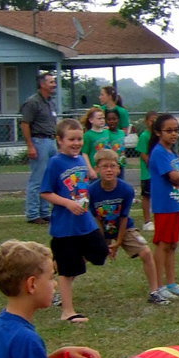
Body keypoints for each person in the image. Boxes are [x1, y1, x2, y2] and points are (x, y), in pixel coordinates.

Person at [39, 119, 107, 324]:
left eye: (79, 139)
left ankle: (59, 268)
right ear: (59, 140)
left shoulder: (80, 161)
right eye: (71, 139)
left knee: (100, 252)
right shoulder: (55, 163)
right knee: (68, 270)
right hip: (65, 227)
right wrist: (67, 203)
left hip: (85, 222)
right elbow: (45, 192)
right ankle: (67, 311)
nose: (76, 143)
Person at [88, 149, 168, 305]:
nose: (109, 170)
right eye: (104, 166)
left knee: (146, 252)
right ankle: (59, 289)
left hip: (124, 228)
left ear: (118, 169)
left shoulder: (126, 189)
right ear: (97, 169)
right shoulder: (92, 191)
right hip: (101, 228)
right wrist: (104, 239)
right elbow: (96, 217)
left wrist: (117, 242)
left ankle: (154, 291)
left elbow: (124, 217)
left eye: (112, 166)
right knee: (80, 253)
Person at [147, 113, 179, 299]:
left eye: (176, 130)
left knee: (173, 244)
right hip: (164, 205)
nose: (173, 134)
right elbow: (174, 176)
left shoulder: (172, 153)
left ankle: (172, 282)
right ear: (158, 132)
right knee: (163, 244)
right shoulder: (158, 152)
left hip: (175, 203)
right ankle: (159, 285)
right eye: (169, 131)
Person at [20, 72, 58, 224]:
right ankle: (33, 214)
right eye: (51, 82)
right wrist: (30, 145)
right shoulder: (32, 102)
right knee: (37, 179)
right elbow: (25, 124)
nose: (54, 84)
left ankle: (44, 211)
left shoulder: (50, 102)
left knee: (48, 178)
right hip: (39, 141)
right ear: (42, 84)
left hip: (51, 140)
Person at [134, 111, 157, 231]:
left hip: (158, 174)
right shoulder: (144, 136)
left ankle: (157, 218)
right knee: (146, 196)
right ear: (146, 121)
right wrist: (153, 165)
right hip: (147, 173)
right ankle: (147, 221)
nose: (153, 123)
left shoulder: (158, 136)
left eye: (156, 120)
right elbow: (143, 154)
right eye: (151, 120)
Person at [80, 106, 109, 177]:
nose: (102, 120)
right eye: (99, 118)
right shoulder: (88, 135)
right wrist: (90, 169)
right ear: (91, 120)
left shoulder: (107, 132)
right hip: (95, 168)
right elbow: (85, 153)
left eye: (103, 118)